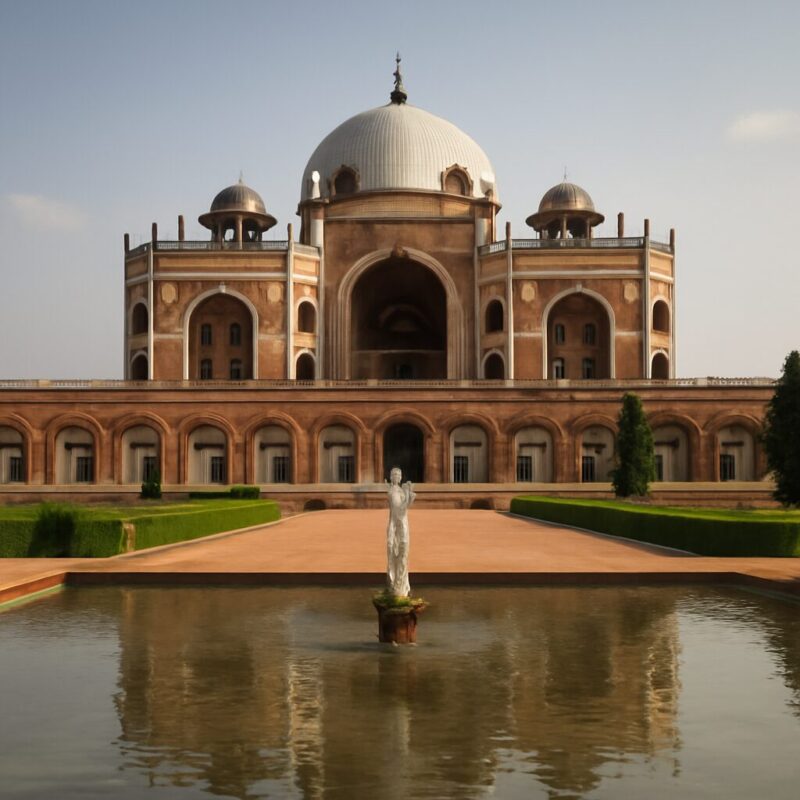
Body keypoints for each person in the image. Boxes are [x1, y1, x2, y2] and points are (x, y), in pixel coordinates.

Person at [386, 466, 415, 597]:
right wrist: (408, 494)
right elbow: (398, 509)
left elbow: (404, 508)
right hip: (395, 523)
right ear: (391, 477)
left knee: (403, 552)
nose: (397, 477)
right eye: (394, 475)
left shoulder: (401, 490)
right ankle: (395, 583)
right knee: (392, 549)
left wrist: (408, 493)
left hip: (402, 524)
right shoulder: (392, 491)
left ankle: (401, 585)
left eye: (399, 475)